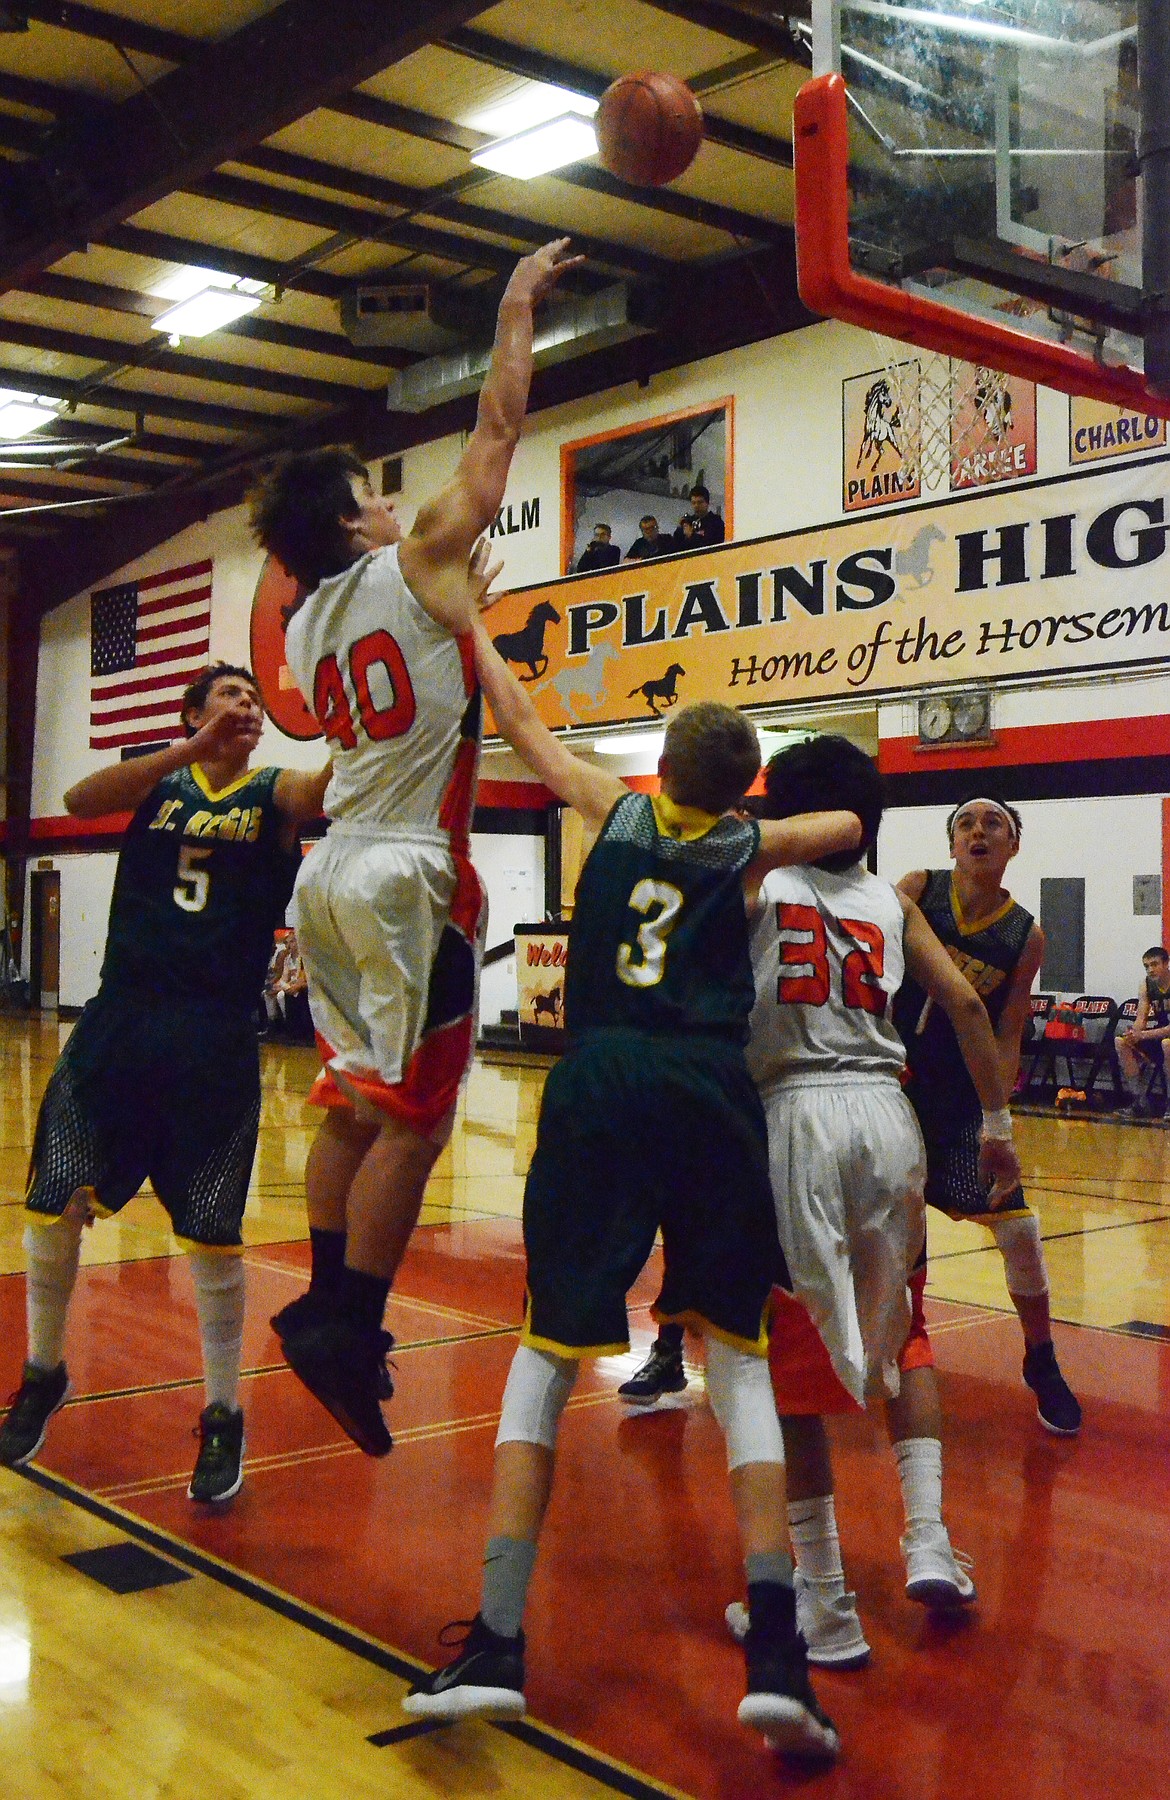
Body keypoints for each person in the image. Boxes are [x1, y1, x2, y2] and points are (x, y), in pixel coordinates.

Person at [403, 631, 863, 1756]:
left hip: (601, 1077)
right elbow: (843, 827)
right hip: (711, 1090)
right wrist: (783, 811)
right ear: (741, 784)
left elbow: (519, 723)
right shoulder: (753, 842)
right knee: (741, 1359)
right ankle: (778, 1665)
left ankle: (499, 1642)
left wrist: (472, 633)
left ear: (661, 762)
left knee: (547, 1351)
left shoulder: (607, 806)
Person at [248, 238, 582, 1459]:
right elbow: (498, 424)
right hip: (402, 873)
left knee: (347, 1100)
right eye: (376, 493)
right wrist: (513, 307)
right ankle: (352, 1322)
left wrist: (461, 609)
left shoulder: (307, 628)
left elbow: (423, 644)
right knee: (417, 1120)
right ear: (353, 516)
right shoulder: (414, 558)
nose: (397, 501)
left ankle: (329, 1295)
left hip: (329, 867)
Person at [722, 738, 1021, 1667]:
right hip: (889, 1122)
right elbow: (969, 1011)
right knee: (909, 1335)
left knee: (796, 1366)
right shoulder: (891, 901)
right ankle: (927, 1536)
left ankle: (823, 1601)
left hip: (795, 1118)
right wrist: (998, 1125)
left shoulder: (756, 884)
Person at [0, 665, 329, 1503]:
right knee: (52, 1200)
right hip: (121, 1021)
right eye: (232, 696)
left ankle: (223, 1414)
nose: (248, 708)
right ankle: (43, 1373)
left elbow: (331, 782)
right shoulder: (158, 779)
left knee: (213, 1232)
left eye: (255, 700)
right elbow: (77, 799)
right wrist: (187, 748)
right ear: (193, 713)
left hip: (213, 1034)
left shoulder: (276, 792)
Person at [894, 797, 1082, 1436]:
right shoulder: (918, 890)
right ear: (951, 843)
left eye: (992, 824)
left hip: (960, 1098)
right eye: (966, 823)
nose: (978, 831)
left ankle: (1042, 1359)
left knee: (1019, 1227)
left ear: (1013, 847)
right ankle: (903, 1342)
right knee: (899, 1226)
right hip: (889, 1085)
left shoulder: (1024, 935)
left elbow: (1006, 1031)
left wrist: (997, 1120)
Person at [1115, 945, 1170, 1119]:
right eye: (1146, 966)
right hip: (1159, 1034)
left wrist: (1143, 1035)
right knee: (1121, 1042)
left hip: (1166, 1037)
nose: (1150, 969)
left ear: (1166, 963)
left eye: (1154, 964)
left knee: (1167, 1044)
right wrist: (1133, 1033)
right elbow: (1141, 1018)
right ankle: (1140, 1101)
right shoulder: (1146, 985)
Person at [673, 484, 726, 550]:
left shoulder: (715, 522)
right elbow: (676, 545)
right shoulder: (688, 522)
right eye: (693, 503)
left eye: (700, 502)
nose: (696, 506)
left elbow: (712, 545)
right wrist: (680, 529)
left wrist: (692, 535)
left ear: (707, 503)